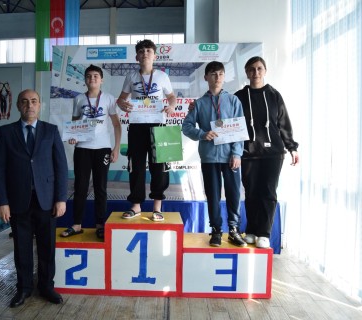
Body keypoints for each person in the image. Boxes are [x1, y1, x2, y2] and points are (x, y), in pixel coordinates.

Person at [0, 89, 68, 308]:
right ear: (18, 106)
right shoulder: (6, 132)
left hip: (46, 199)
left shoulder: (50, 131)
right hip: (18, 200)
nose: (29, 105)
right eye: (25, 102)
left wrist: (61, 198)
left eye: (34, 101)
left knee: (47, 246)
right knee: (22, 247)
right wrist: (1, 202)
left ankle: (46, 286)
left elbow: (61, 167)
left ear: (40, 105)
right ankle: (23, 288)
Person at [234, 56, 299, 249]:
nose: (256, 72)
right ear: (246, 72)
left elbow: (284, 123)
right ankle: (252, 230)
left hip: (273, 154)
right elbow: (229, 122)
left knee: (268, 192)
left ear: (265, 71)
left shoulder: (274, 95)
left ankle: (264, 232)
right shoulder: (238, 96)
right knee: (252, 192)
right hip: (248, 153)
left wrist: (292, 147)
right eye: (252, 69)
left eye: (259, 68)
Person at [182, 61, 246, 247]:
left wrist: (237, 154)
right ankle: (216, 230)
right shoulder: (199, 104)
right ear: (206, 78)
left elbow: (240, 130)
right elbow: (186, 126)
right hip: (209, 157)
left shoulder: (234, 101)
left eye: (220, 74)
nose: (217, 77)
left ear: (224, 77)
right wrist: (202, 134)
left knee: (234, 194)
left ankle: (234, 229)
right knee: (213, 195)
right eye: (213, 74)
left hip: (230, 158)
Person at [117, 39, 177, 221]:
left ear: (154, 55)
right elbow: (121, 99)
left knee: (159, 166)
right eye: (141, 51)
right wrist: (124, 105)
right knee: (136, 166)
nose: (145, 54)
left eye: (148, 51)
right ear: (137, 56)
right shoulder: (131, 77)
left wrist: (172, 107)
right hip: (136, 125)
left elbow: (172, 97)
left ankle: (157, 207)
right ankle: (135, 206)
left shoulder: (162, 76)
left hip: (158, 125)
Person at [61, 65, 121, 239]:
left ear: (102, 79)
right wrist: (73, 136)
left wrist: (116, 148)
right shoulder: (79, 99)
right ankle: (77, 224)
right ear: (85, 80)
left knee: (100, 188)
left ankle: (100, 224)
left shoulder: (109, 99)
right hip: (82, 149)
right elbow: (74, 123)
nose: (92, 79)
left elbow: (117, 125)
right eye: (89, 76)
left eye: (96, 76)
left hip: (102, 148)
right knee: (80, 187)